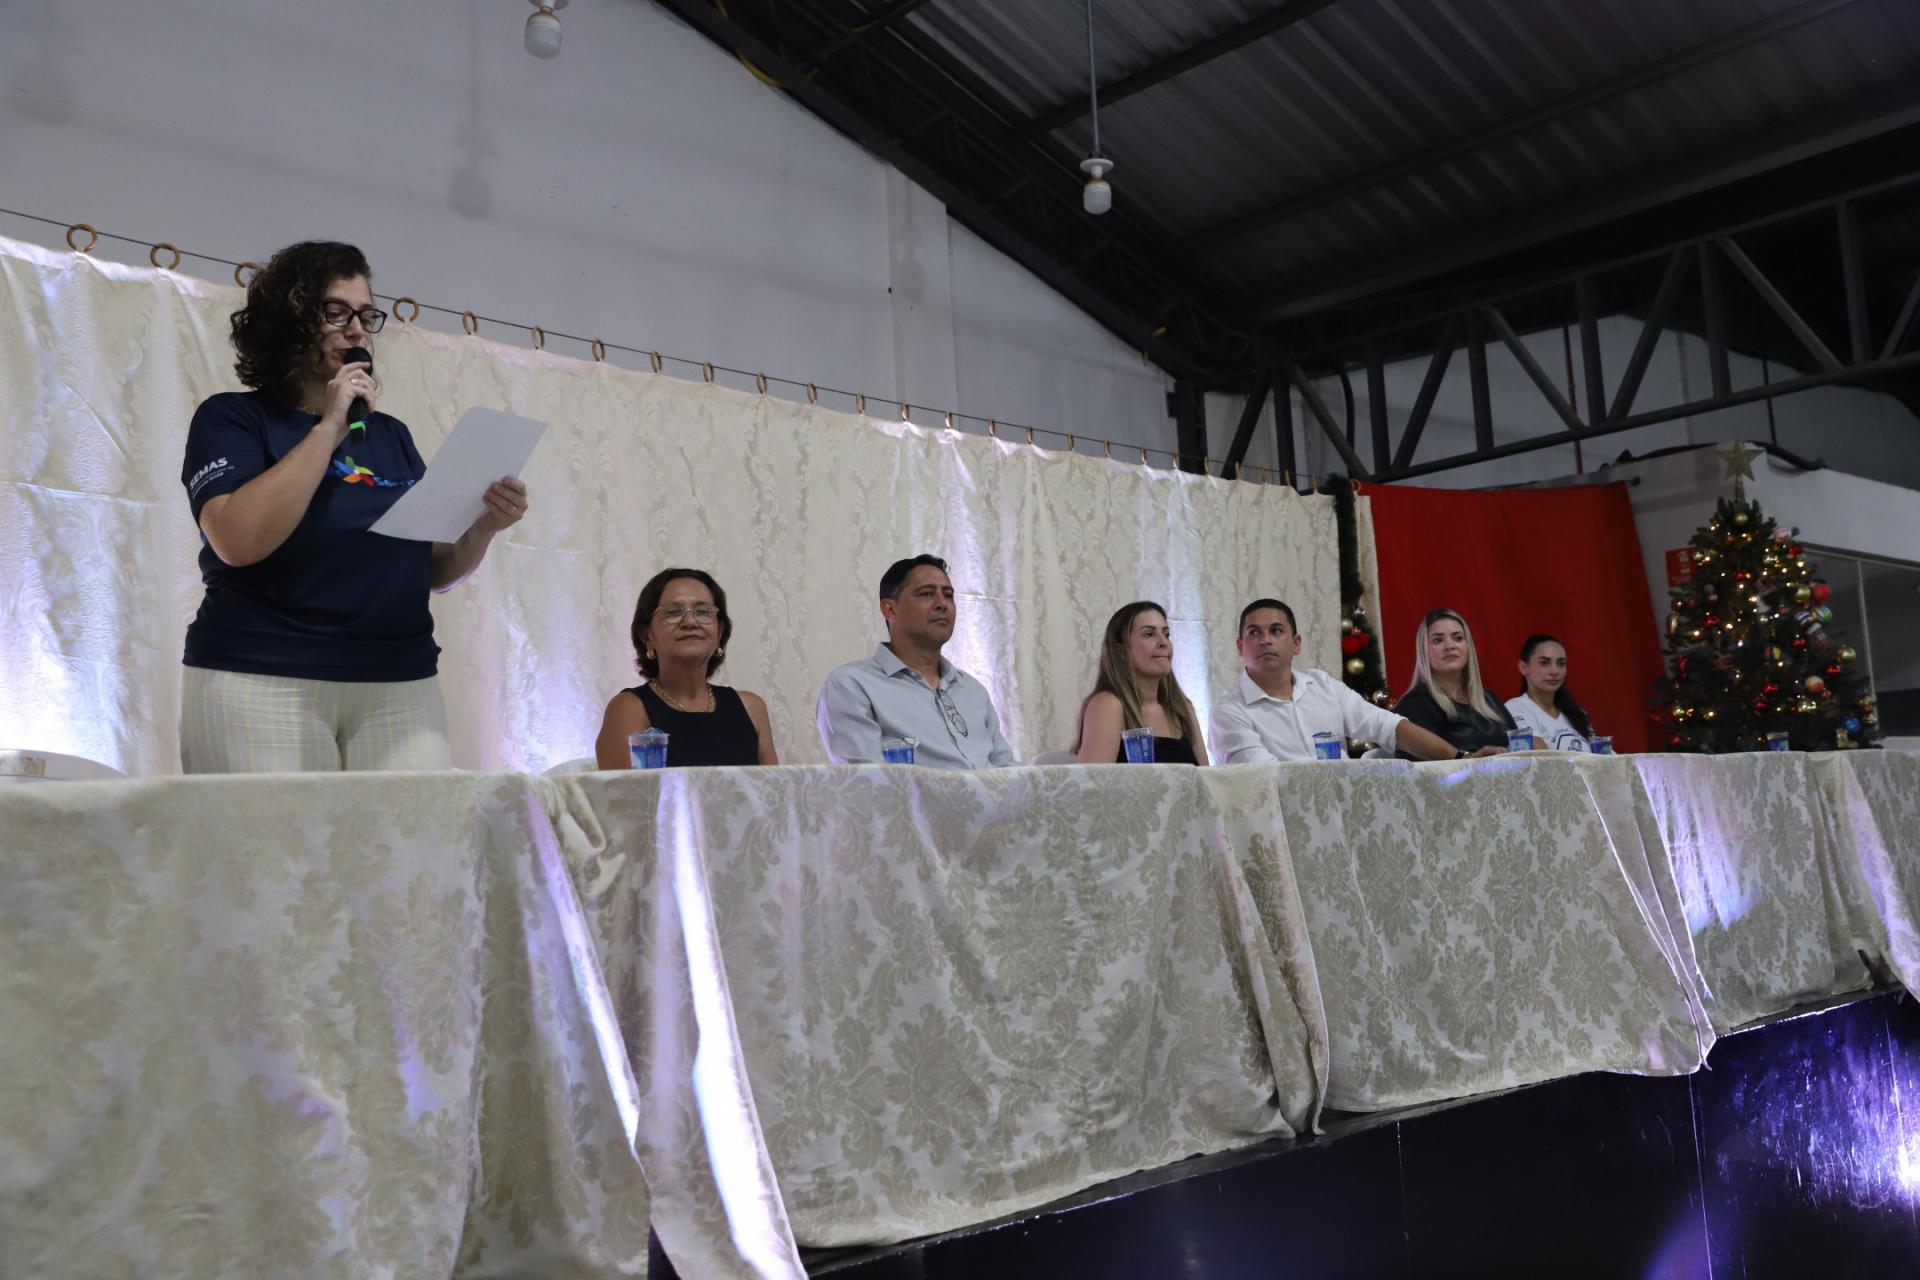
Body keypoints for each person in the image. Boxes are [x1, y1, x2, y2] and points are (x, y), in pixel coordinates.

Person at [178, 240, 527, 773]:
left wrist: (483, 528)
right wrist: (329, 428)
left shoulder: (392, 434)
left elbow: (432, 570)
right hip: (261, 673)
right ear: (287, 321)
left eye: (366, 316)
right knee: (279, 833)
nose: (358, 330)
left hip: (400, 679)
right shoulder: (233, 418)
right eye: (336, 313)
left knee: (415, 829)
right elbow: (238, 541)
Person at [1210, 599, 1482, 763]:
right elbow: (1265, 781)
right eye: (1254, 633)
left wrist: (1462, 759)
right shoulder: (1229, 710)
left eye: (1276, 630)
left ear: (1296, 644)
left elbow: (1390, 728)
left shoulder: (1321, 685)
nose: (1265, 640)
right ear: (1240, 647)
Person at [816, 554, 1016, 769]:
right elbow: (868, 782)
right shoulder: (852, 685)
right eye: (927, 594)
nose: (942, 604)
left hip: (994, 793)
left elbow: (1007, 770)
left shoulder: (972, 689)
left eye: (948, 595)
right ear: (890, 609)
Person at [594, 568, 778, 768]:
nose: (690, 622)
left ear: (719, 632)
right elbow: (626, 789)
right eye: (673, 612)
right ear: (647, 636)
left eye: (703, 612)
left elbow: (775, 787)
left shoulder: (752, 708)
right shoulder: (628, 710)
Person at [1074, 602, 1208, 765]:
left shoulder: (1183, 708)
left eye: (1166, 634)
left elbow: (1205, 777)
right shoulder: (1108, 705)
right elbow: (1093, 780)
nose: (1164, 643)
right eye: (1149, 634)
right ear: (1121, 651)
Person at [1393, 608, 1518, 759]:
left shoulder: (1489, 699)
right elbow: (1418, 770)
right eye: (1438, 640)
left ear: (1468, 648)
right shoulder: (1414, 704)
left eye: (1458, 638)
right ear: (1424, 652)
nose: (1450, 646)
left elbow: (1519, 747)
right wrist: (1472, 762)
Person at [1505, 634, 1597, 752]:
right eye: (1544, 663)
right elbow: (1542, 757)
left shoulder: (1578, 714)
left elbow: (1602, 754)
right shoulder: (1517, 707)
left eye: (1561, 663)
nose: (1555, 671)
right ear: (1523, 667)